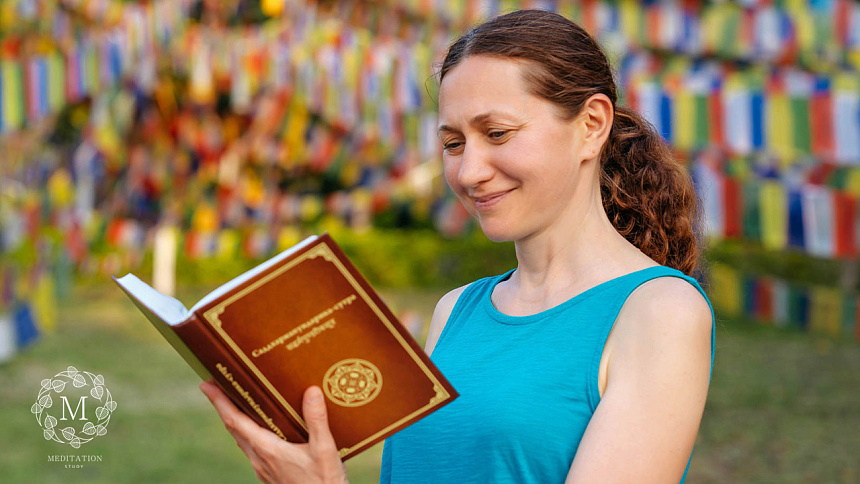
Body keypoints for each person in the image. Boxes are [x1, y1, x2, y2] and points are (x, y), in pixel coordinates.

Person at [199, 9, 715, 484]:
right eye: (453, 143)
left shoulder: (661, 311)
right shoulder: (456, 311)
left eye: (497, 132)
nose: (469, 172)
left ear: (591, 125)